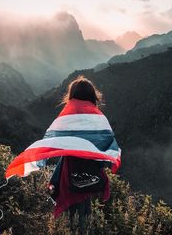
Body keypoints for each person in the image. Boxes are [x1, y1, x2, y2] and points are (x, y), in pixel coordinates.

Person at [48, 76, 113, 234]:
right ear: (92, 98)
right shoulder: (98, 121)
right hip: (91, 175)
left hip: (68, 175)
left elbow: (56, 142)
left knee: (72, 218)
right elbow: (106, 148)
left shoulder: (67, 120)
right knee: (84, 214)